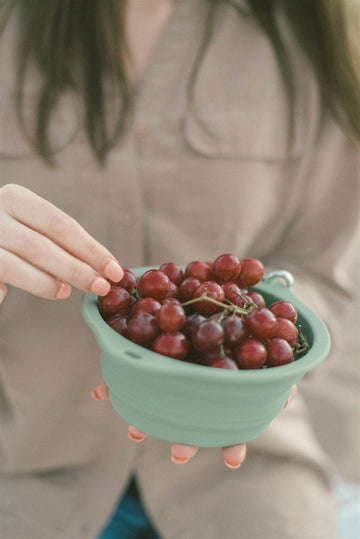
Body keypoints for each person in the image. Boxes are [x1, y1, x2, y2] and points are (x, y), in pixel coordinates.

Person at [0, 1, 359, 538]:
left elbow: (325, 268)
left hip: (246, 479)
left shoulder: (309, 29)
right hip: (26, 476)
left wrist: (257, 371)